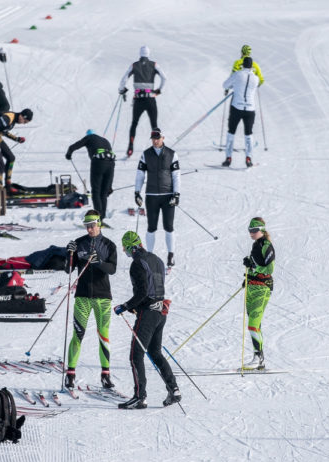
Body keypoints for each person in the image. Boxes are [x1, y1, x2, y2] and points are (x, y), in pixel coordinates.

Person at [113, 231, 180, 409]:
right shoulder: (157, 259)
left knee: (136, 355)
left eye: (125, 248)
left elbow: (142, 293)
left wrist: (124, 306)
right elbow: (154, 288)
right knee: (155, 352)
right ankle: (174, 389)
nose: (124, 251)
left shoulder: (137, 263)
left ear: (130, 247)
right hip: (161, 312)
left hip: (148, 313)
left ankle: (139, 397)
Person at [64, 210, 118, 390]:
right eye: (87, 226)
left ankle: (105, 375)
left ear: (99, 224)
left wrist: (99, 262)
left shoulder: (109, 245)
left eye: (92, 225)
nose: (89, 229)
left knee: (103, 335)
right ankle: (70, 374)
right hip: (83, 297)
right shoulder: (79, 243)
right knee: (77, 335)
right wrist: (69, 254)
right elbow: (68, 270)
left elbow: (112, 269)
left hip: (103, 298)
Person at [134, 128, 180, 268]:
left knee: (169, 227)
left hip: (167, 196)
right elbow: (140, 174)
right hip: (152, 196)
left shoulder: (172, 154)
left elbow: (176, 175)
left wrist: (176, 194)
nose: (155, 140)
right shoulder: (146, 154)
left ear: (163, 138)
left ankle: (171, 255)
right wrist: (137, 192)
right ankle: (150, 255)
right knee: (151, 227)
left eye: (157, 138)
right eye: (153, 138)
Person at [118, 45, 167, 157]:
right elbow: (164, 77)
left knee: (134, 123)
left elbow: (124, 79)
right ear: (148, 54)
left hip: (138, 99)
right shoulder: (154, 65)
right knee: (154, 125)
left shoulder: (134, 65)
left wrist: (122, 90)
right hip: (150, 98)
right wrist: (159, 91)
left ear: (140, 54)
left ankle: (130, 147)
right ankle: (158, 148)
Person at [242, 217, 275, 370]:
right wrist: (248, 274)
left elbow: (269, 269)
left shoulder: (267, 245)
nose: (251, 233)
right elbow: (253, 264)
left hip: (262, 288)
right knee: (256, 325)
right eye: (250, 230)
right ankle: (259, 359)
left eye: (254, 230)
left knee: (253, 325)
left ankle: (258, 358)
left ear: (261, 230)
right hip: (252, 287)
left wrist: (253, 267)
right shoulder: (255, 245)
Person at [66, 130, 116, 222]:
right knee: (104, 193)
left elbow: (73, 146)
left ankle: (98, 218)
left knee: (96, 192)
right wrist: (109, 186)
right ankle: (102, 217)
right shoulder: (105, 140)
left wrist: (68, 154)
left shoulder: (90, 137)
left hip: (98, 163)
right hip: (111, 163)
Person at [222, 57, 260, 168]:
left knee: (231, 132)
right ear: (251, 66)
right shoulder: (256, 78)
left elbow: (225, 85)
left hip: (236, 108)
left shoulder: (238, 74)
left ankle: (228, 158)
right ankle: (248, 158)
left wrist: (234, 87)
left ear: (243, 65)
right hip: (250, 109)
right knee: (248, 133)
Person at [0, 109, 32, 193]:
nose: (23, 123)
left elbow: (4, 131)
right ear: (22, 116)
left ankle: (8, 184)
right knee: (0, 162)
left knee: (11, 158)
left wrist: (17, 139)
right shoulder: (8, 118)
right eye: (24, 121)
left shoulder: (13, 120)